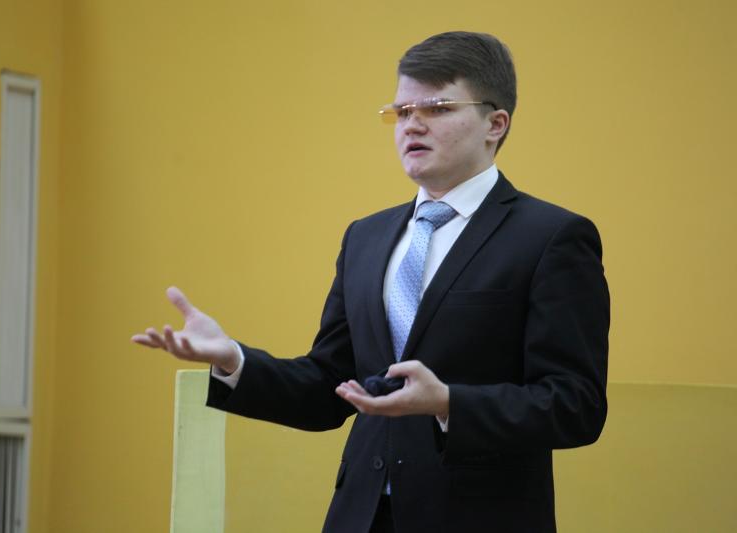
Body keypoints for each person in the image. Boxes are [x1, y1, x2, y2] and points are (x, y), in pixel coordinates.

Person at [132, 31, 609, 533]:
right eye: (401, 112)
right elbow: (328, 385)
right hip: (359, 517)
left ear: (496, 124)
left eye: (437, 108)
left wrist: (448, 402)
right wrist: (234, 360)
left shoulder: (551, 237)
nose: (412, 125)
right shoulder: (366, 237)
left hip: (479, 516)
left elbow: (575, 404)